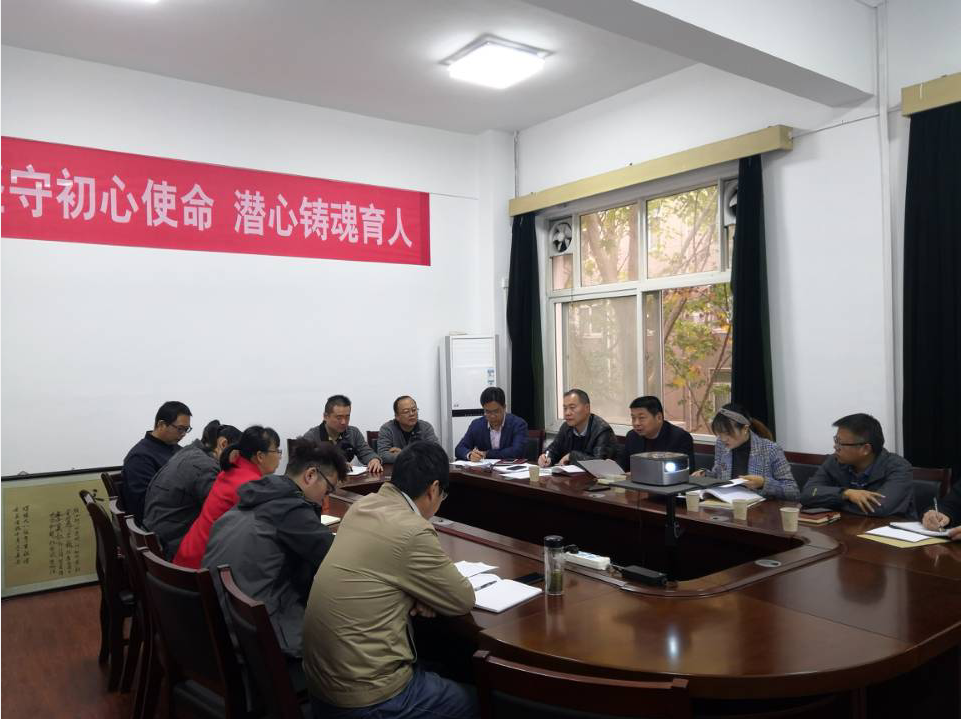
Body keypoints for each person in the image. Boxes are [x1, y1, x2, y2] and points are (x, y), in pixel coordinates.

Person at [303, 442, 477, 719]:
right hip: (368, 699)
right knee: (481, 702)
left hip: (322, 687)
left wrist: (416, 592)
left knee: (441, 667)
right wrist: (424, 594)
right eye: (443, 494)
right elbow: (462, 599)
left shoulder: (362, 506)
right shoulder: (413, 529)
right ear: (433, 489)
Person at [202, 440, 348, 657]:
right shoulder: (290, 509)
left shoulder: (256, 495)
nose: (324, 499)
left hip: (217, 627)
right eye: (327, 489)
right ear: (310, 475)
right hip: (259, 639)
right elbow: (339, 560)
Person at [174, 425, 281, 568]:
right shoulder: (250, 486)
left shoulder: (232, 469)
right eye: (277, 451)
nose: (280, 456)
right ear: (260, 456)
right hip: (203, 569)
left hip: (188, 556)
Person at [143, 419, 241, 559]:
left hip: (155, 541)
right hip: (172, 550)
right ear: (223, 444)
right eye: (238, 455)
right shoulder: (206, 467)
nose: (239, 462)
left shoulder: (187, 452)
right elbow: (224, 515)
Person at [800, 413, 915, 517]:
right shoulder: (834, 461)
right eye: (836, 440)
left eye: (840, 443)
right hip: (848, 528)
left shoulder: (899, 468)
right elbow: (807, 494)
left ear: (865, 449)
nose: (835, 447)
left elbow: (878, 508)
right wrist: (845, 494)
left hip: (889, 531)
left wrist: (831, 501)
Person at [694, 403, 799, 501]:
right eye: (719, 434)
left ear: (745, 429)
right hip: (727, 505)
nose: (723, 439)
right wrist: (705, 475)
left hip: (759, 510)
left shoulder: (771, 449)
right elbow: (718, 475)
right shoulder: (721, 445)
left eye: (727, 433)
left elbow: (793, 491)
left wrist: (763, 483)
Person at [121, 400, 192, 525]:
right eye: (180, 429)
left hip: (177, 512)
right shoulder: (140, 457)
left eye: (186, 429)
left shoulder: (176, 449)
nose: (183, 434)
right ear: (161, 424)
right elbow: (146, 502)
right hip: (157, 523)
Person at [301, 394, 382, 474]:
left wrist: (374, 459)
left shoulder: (353, 433)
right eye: (338, 417)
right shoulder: (311, 437)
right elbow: (303, 465)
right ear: (325, 416)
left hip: (349, 480)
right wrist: (335, 465)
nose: (344, 422)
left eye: (347, 417)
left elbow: (366, 452)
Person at [538, 389, 616, 467]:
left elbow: (599, 464)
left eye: (572, 407)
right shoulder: (566, 427)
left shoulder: (602, 430)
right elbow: (554, 449)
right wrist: (547, 457)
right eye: (565, 408)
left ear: (587, 408)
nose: (567, 413)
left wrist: (572, 456)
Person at [617, 396, 695, 472]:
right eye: (633, 418)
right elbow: (623, 467)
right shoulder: (632, 436)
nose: (636, 423)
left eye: (641, 418)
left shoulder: (680, 437)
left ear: (659, 417)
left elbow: (686, 471)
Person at [454, 386, 529, 461]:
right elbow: (459, 448)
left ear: (504, 407)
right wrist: (470, 455)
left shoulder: (518, 424)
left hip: (512, 467)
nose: (492, 416)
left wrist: (487, 454)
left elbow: (517, 451)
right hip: (484, 468)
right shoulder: (476, 425)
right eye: (488, 412)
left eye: (496, 411)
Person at [376, 395, 440, 464]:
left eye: (414, 410)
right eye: (406, 411)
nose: (412, 414)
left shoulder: (426, 427)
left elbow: (436, 452)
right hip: (397, 469)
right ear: (397, 416)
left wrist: (404, 453)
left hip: (421, 469)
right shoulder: (387, 429)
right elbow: (383, 455)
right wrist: (420, 454)